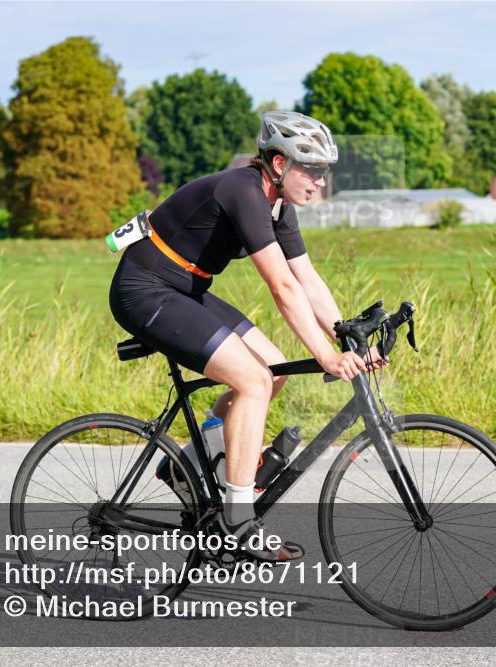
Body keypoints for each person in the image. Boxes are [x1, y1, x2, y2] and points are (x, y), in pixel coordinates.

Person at [109, 111, 386, 561]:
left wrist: (345, 337)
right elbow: (282, 288)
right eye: (312, 169)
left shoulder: (278, 205)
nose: (320, 180)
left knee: (273, 372)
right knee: (253, 381)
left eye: (324, 171)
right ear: (279, 164)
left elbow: (307, 279)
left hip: (186, 287)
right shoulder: (242, 191)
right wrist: (326, 358)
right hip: (144, 290)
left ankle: (193, 468)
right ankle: (238, 520)